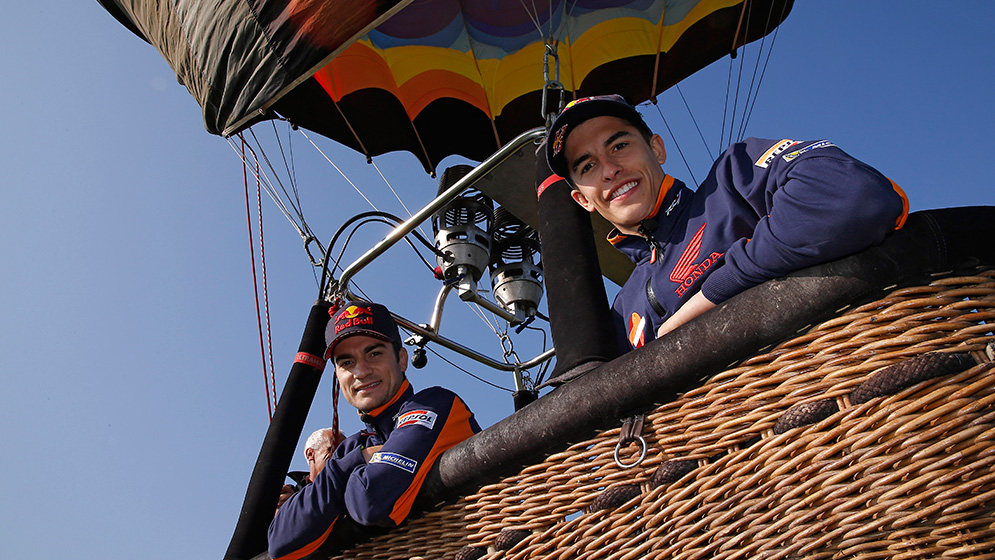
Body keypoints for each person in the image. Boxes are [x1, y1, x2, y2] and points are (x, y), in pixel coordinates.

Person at [545, 94, 908, 352]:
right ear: (582, 199)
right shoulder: (623, 313)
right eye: (588, 166)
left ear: (656, 148)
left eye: (619, 145)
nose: (609, 169)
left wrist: (714, 292)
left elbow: (853, 197)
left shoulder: (735, 179)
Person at [268, 300, 481, 559]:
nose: (361, 371)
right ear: (337, 375)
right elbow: (281, 542)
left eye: (374, 354)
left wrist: (339, 486)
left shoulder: (435, 405)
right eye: (346, 362)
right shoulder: (353, 447)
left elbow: (370, 502)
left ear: (402, 359)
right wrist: (355, 462)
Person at [275, 427, 347, 513]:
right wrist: (279, 513)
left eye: (345, 452)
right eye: (331, 450)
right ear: (310, 454)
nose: (340, 456)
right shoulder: (290, 497)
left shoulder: (354, 490)